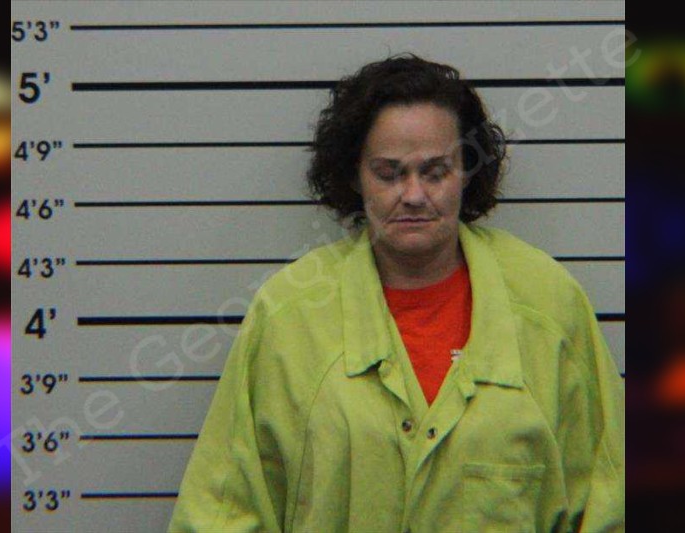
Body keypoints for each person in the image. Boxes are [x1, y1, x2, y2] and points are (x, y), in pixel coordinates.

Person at [168, 53, 624, 532]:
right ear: (354, 175)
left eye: (435, 172)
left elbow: (609, 498)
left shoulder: (549, 305)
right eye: (388, 173)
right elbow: (221, 513)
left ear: (468, 171)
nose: (413, 195)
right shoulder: (288, 316)